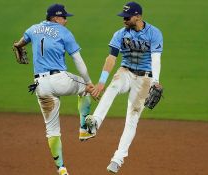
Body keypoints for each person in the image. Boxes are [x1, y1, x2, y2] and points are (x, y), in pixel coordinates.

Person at [13, 4, 95, 175]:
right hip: (60, 80)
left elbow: (20, 43)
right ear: (56, 18)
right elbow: (79, 62)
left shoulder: (33, 28)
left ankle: (61, 168)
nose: (66, 20)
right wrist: (89, 82)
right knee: (85, 88)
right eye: (64, 17)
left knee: (51, 130)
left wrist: (18, 47)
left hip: (40, 86)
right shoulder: (64, 32)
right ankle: (83, 129)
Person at [85, 1, 163, 174]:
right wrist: (101, 81)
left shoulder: (154, 33)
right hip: (126, 72)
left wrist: (155, 81)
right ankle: (95, 122)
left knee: (133, 117)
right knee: (112, 87)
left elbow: (156, 59)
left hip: (144, 78)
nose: (124, 19)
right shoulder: (120, 34)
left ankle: (117, 159)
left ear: (138, 17)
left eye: (127, 17)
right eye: (123, 16)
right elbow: (111, 58)